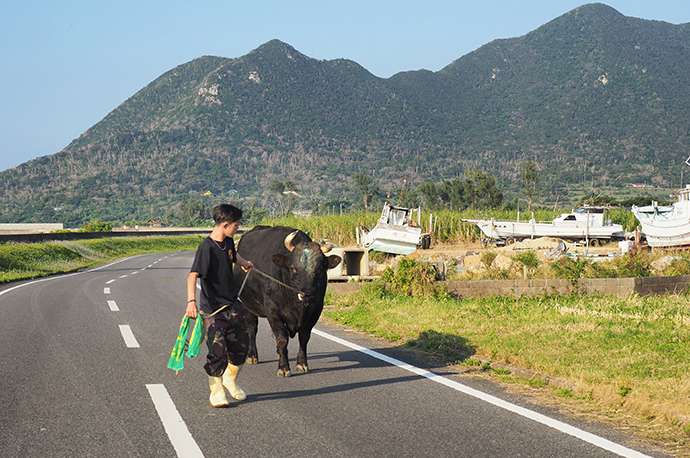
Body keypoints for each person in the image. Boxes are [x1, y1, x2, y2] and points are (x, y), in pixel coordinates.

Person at [185, 204, 254, 408]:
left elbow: (232, 256)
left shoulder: (229, 242)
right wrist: (191, 302)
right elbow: (192, 276)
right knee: (218, 350)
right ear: (225, 225)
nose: (238, 228)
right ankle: (216, 391)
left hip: (232, 303)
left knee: (242, 345)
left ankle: (230, 379)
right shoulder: (206, 248)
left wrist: (244, 262)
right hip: (213, 309)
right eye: (236, 225)